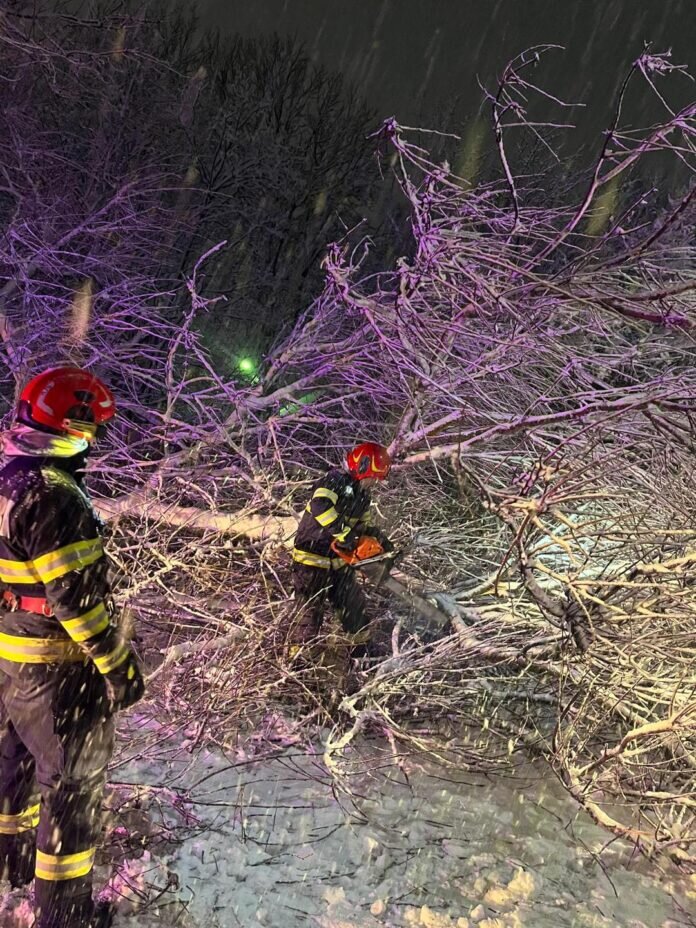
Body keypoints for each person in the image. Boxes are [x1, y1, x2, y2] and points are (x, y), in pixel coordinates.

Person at [0, 367, 145, 928]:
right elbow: (77, 601)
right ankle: (65, 912)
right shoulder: (55, 494)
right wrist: (117, 664)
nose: (95, 439)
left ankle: (12, 863)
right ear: (75, 423)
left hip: (13, 656)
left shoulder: (10, 477)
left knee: (13, 760)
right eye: (92, 427)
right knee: (72, 783)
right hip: (57, 667)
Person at [290, 441, 392, 659]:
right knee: (309, 615)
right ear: (362, 466)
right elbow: (320, 506)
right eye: (372, 476)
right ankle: (298, 664)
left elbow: (362, 528)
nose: (373, 482)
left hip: (338, 562)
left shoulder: (362, 497)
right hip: (311, 559)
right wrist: (345, 534)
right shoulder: (334, 480)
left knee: (353, 608)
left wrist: (379, 541)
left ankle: (362, 655)